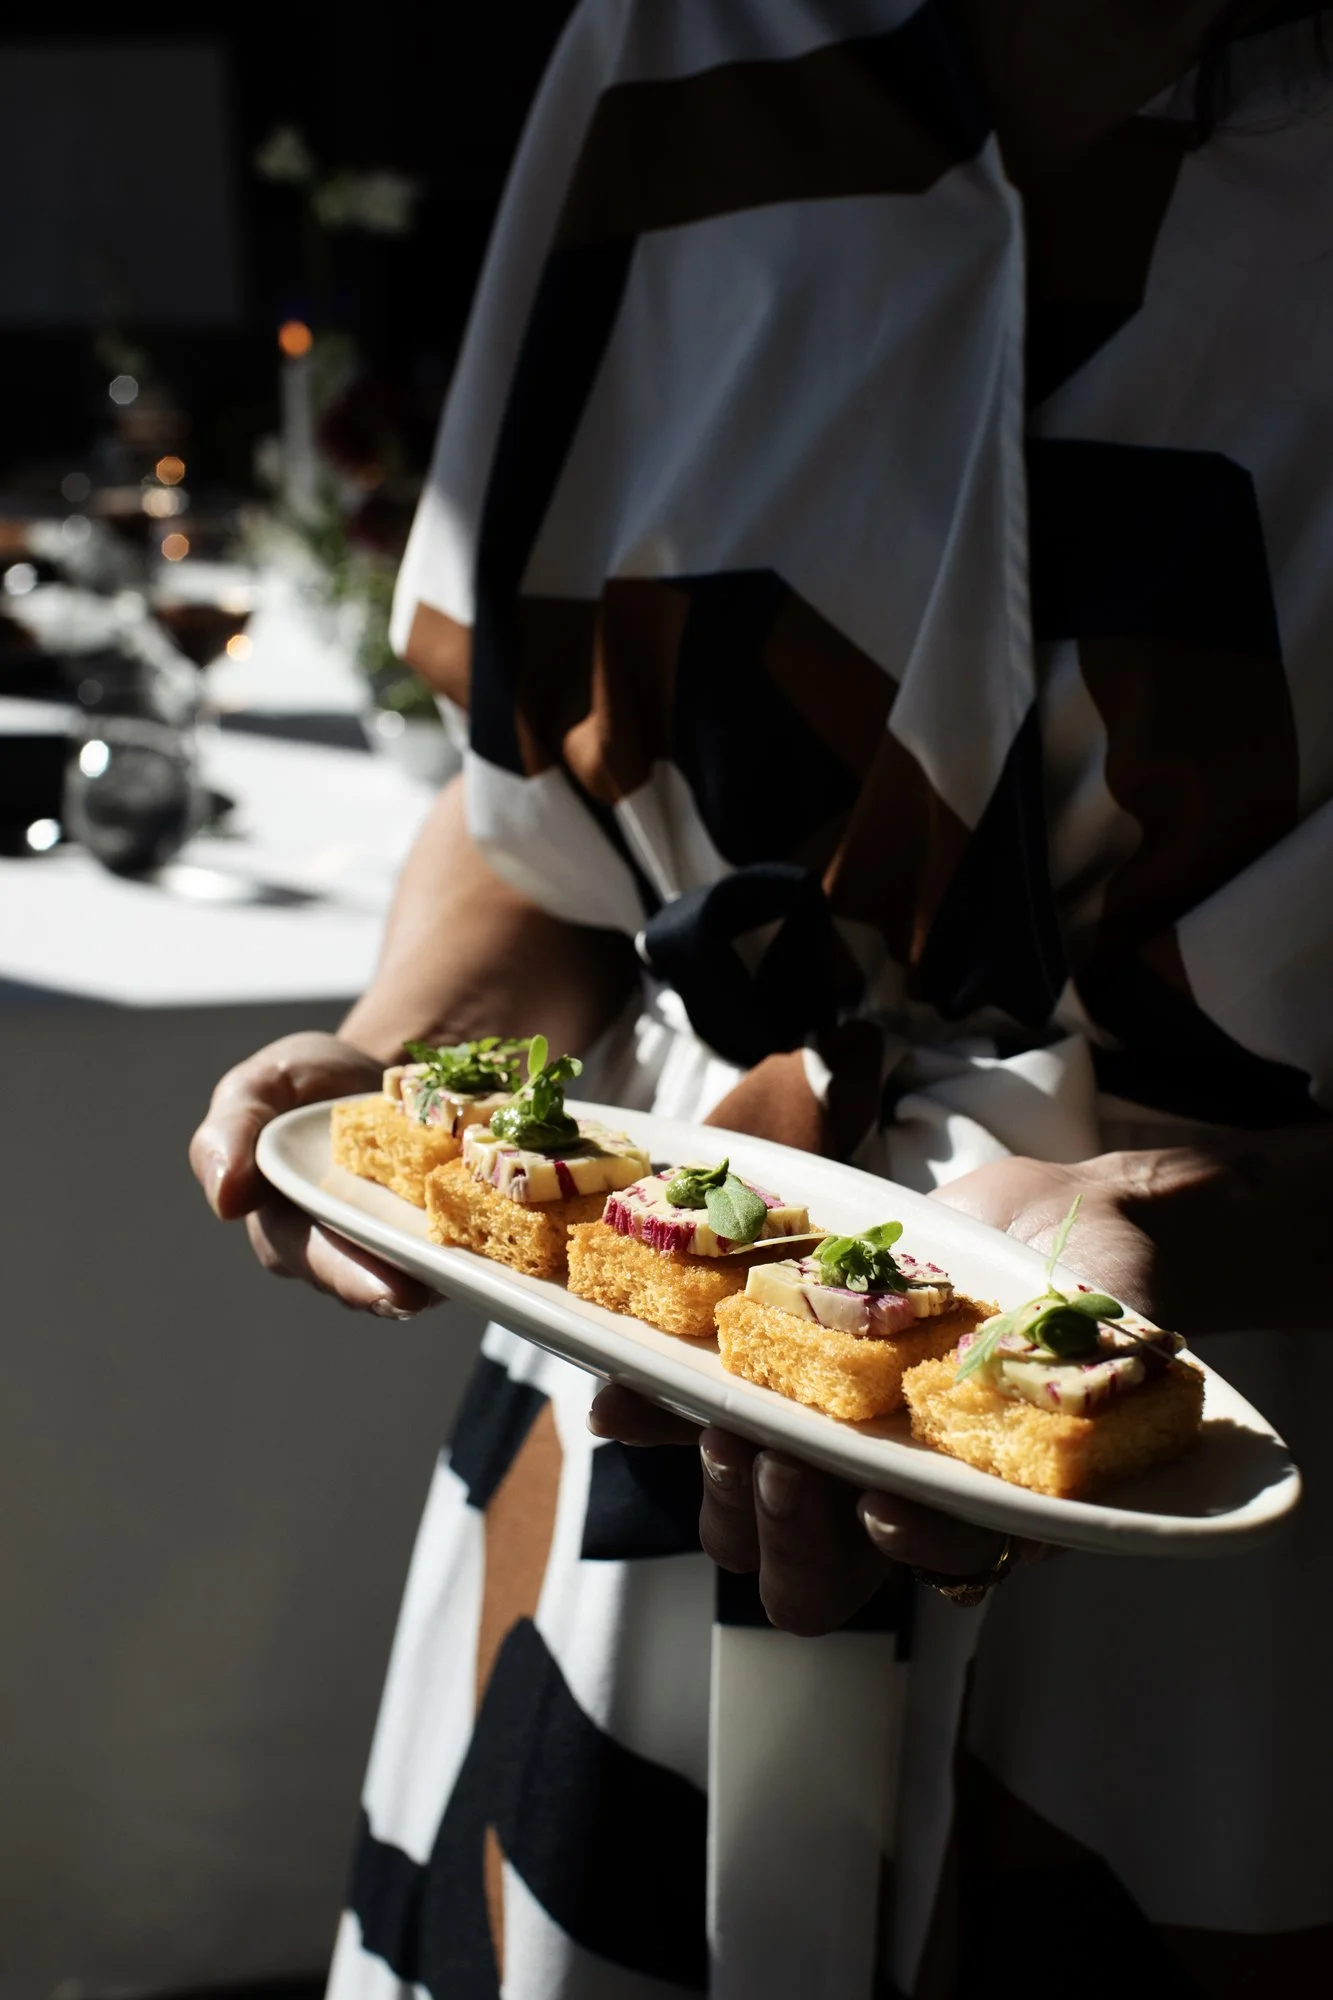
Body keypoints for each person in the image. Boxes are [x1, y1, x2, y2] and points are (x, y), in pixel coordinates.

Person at [191, 3, 1333, 1993]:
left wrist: (1220, 1231)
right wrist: (403, 1068)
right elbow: (533, 822)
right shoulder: (672, 49)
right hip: (638, 1453)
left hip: (1224, 1572)